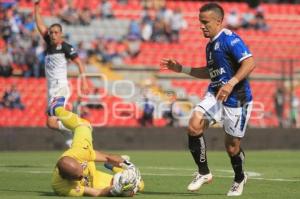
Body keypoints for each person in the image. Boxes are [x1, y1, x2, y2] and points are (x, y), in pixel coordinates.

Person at [160, 3, 255, 196]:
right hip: (215, 93)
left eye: (205, 22)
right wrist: (182, 69)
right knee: (194, 125)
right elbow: (210, 72)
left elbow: (249, 62)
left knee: (231, 147)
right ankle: (203, 172)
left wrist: (231, 83)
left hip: (237, 98)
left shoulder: (230, 39)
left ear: (218, 21)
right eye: (199, 22)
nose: (201, 26)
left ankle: (239, 178)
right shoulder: (210, 45)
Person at [49, 96, 143, 197]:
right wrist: (116, 190)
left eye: (81, 171)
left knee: (84, 125)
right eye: (78, 177)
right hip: (94, 181)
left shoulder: (78, 152)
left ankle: (57, 109)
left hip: (84, 156)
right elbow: (97, 192)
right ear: (65, 178)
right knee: (138, 185)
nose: (82, 177)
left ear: (77, 161)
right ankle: (118, 172)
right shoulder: (63, 188)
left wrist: (127, 164)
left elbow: (107, 158)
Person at [34, 0, 88, 146]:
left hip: (60, 87)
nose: (52, 35)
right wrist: (36, 8)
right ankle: (72, 133)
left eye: (55, 32)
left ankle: (79, 125)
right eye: (51, 32)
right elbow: (40, 25)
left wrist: (83, 81)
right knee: (50, 123)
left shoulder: (65, 47)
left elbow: (79, 63)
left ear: (61, 34)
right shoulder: (49, 44)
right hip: (50, 89)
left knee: (57, 114)